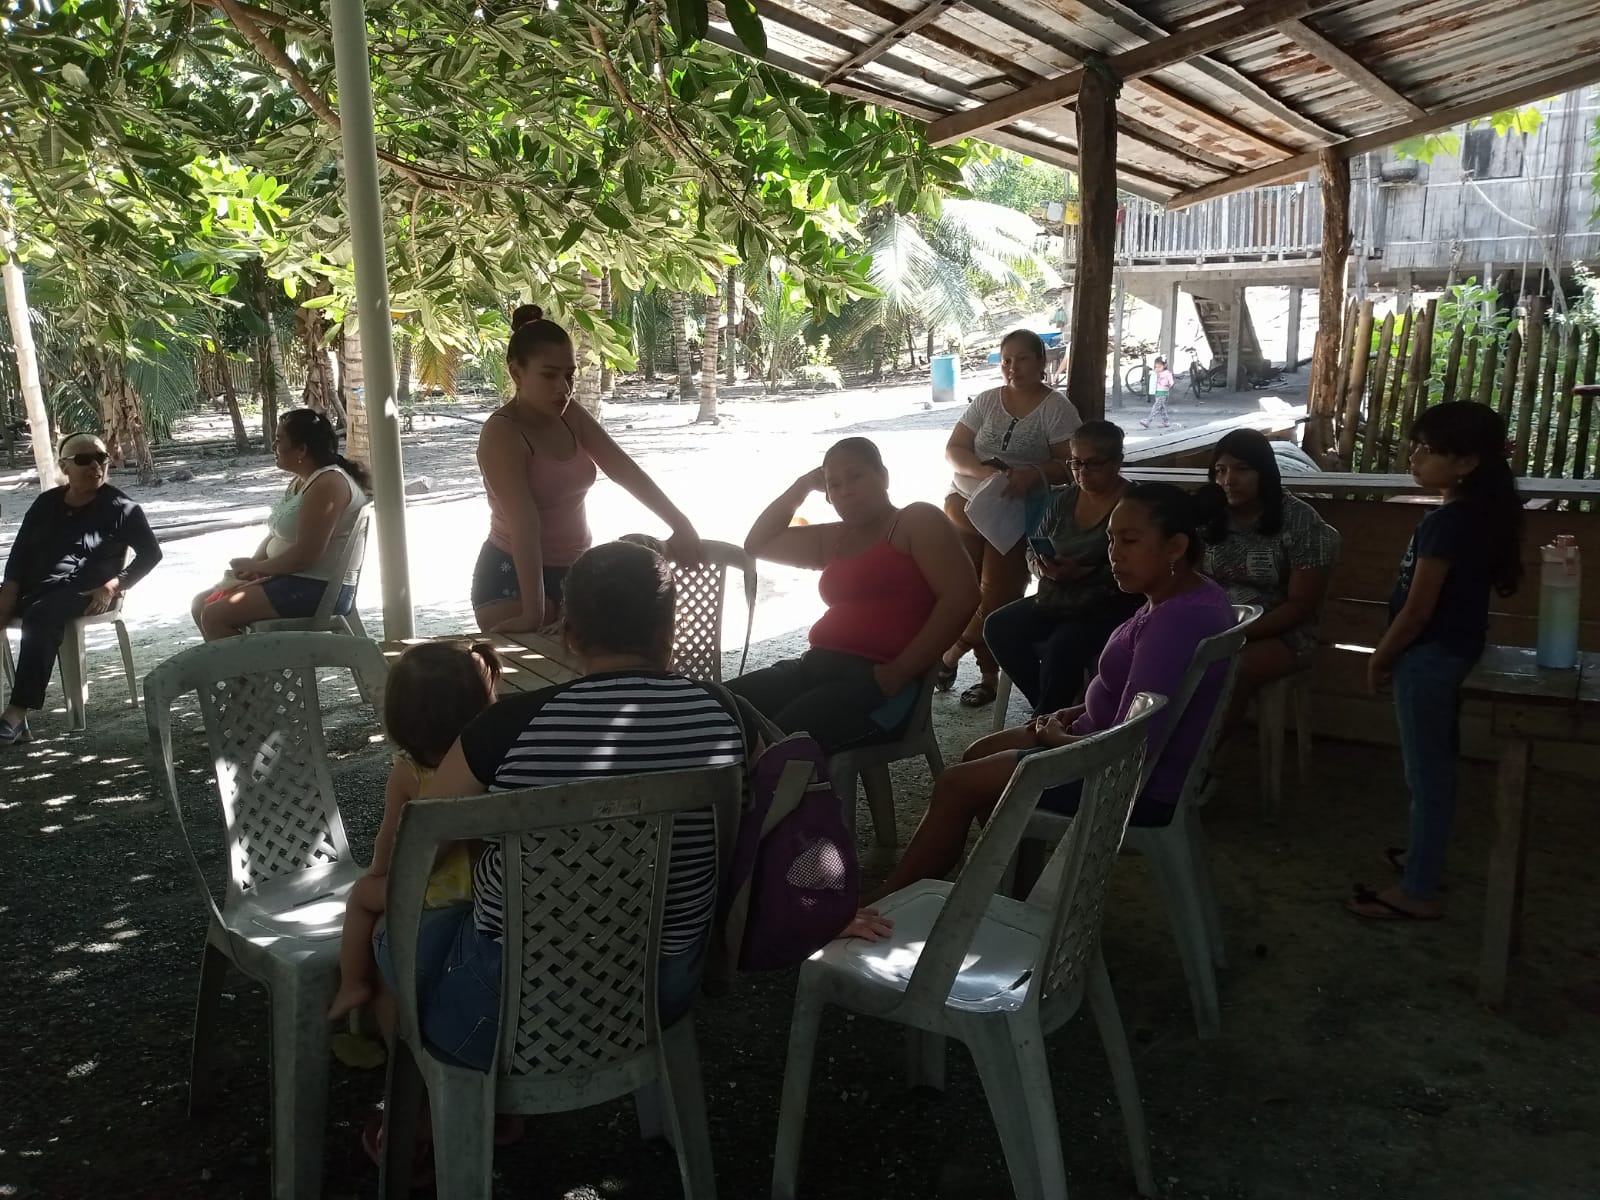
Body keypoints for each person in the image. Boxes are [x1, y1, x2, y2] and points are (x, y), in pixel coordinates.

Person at [371, 541, 771, 1075]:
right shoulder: (729, 716)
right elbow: (778, 821)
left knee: (388, 926)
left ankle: (422, 1093)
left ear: (569, 632)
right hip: (663, 990)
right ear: (669, 628)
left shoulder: (502, 730)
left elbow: (418, 855)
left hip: (504, 1004)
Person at [873, 483, 1234, 897]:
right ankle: (1011, 888)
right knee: (976, 754)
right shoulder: (1187, 596)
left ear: (1175, 547)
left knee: (957, 785)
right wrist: (1075, 712)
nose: (1114, 553)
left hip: (1123, 780)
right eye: (1111, 539)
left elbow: (1133, 745)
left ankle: (890, 900)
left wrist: (1057, 738)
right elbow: (1135, 693)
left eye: (1130, 541)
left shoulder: (1174, 624)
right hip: (1099, 743)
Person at [1348, 403, 1524, 922]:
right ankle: (1424, 857)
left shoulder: (1449, 523)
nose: (1415, 457)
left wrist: (1381, 656)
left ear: (1466, 462)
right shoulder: (1474, 514)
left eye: (1428, 449)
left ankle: (1417, 891)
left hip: (1427, 658)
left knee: (1426, 774)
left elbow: (1419, 609)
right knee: (1436, 766)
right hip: (1452, 652)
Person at [729, 437, 978, 755]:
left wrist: (901, 671)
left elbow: (962, 596)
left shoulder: (915, 521)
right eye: (834, 484)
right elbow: (757, 544)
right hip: (815, 666)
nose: (846, 490)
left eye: (856, 476)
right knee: (720, 708)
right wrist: (803, 485)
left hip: (881, 682)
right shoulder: (835, 537)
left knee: (778, 744)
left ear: (883, 476)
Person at [472, 304, 701, 634]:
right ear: (517, 374)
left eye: (569, 375)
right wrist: (533, 613)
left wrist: (681, 523)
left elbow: (624, 469)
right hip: (513, 580)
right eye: (549, 375)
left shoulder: (570, 414)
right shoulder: (502, 433)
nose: (563, 389)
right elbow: (525, 523)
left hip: (576, 573)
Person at [327, 640, 502, 1021]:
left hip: (429, 892)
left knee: (362, 898)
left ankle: (352, 982)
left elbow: (390, 837)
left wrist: (378, 872)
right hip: (488, 890)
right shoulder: (492, 763)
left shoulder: (409, 773)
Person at [940, 329, 1083, 708]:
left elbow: (1070, 464)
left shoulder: (1056, 409)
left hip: (1017, 516)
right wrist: (985, 473)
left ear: (1040, 362)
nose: (1012, 367)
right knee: (964, 589)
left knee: (997, 596)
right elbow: (954, 449)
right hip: (965, 507)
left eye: (1022, 359)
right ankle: (984, 674)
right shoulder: (987, 401)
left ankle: (953, 655)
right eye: (1006, 360)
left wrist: (1032, 474)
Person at [0, 433, 161, 744]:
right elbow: (18, 556)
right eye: (84, 460)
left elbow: (151, 554)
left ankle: (16, 714)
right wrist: (7, 598)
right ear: (65, 467)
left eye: (101, 458)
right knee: (31, 607)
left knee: (40, 615)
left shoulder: (122, 507)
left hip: (86, 592)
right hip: (36, 588)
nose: (96, 466)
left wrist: (113, 586)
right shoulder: (46, 503)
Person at [982, 420, 1141, 716]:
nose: (1082, 472)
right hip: (1058, 595)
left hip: (1109, 602)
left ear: (1117, 462)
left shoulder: (1133, 504)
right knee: (998, 626)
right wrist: (1041, 567)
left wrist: (1084, 573)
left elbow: (1140, 565)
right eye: (1076, 463)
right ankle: (1051, 711)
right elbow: (1033, 546)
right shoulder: (1065, 499)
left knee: (1062, 647)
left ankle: (1048, 718)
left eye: (1093, 464)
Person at [192, 410, 370, 639]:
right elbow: (276, 534)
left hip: (318, 587)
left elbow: (307, 555)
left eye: (278, 440)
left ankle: (253, 664)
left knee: (215, 615)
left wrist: (260, 567)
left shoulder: (329, 483)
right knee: (200, 603)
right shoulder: (302, 481)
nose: (273, 447)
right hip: (290, 578)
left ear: (302, 449)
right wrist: (255, 565)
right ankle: (250, 663)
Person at [1201, 428, 1339, 723]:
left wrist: (1236, 635)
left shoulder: (1299, 520)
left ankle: (1202, 751)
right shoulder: (1208, 516)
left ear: (1264, 472)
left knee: (1233, 670)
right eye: (1220, 471)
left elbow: (1301, 605)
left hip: (1282, 632)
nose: (1228, 481)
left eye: (1242, 469)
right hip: (1214, 628)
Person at [1142, 356, 1175, 429]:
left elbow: (1171, 383)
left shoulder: (1167, 373)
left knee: (1156, 407)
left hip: (1163, 392)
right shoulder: (1157, 373)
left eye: (1159, 367)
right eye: (1156, 367)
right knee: (1161, 408)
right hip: (1157, 392)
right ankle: (1166, 421)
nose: (1157, 369)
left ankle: (1148, 421)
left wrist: (1167, 386)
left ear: (1164, 365)